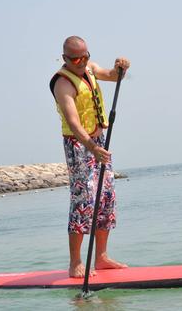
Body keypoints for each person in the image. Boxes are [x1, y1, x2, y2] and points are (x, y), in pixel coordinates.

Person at [49, 36, 130, 278]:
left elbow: (113, 76)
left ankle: (102, 257)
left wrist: (120, 68)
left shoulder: (90, 69)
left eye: (85, 56)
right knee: (83, 201)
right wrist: (90, 147)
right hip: (78, 145)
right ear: (65, 58)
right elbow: (73, 123)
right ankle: (75, 262)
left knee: (106, 197)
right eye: (76, 58)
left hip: (98, 142)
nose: (82, 62)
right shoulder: (62, 83)